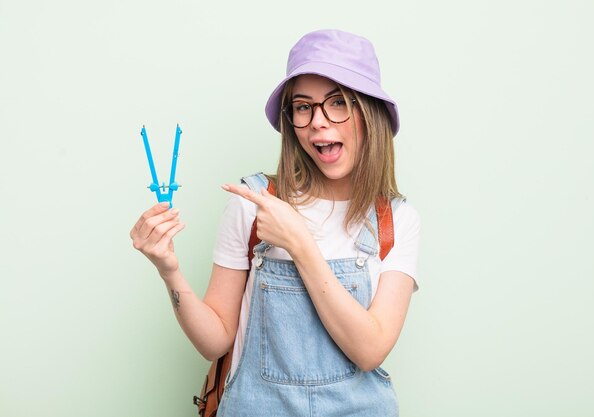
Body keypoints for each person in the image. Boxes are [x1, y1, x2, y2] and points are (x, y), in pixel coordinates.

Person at [130, 29, 420, 417]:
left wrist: (299, 244)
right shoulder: (252, 205)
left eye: (337, 103)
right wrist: (169, 271)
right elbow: (215, 341)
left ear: (369, 113)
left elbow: (370, 350)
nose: (318, 121)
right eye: (303, 107)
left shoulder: (396, 221)